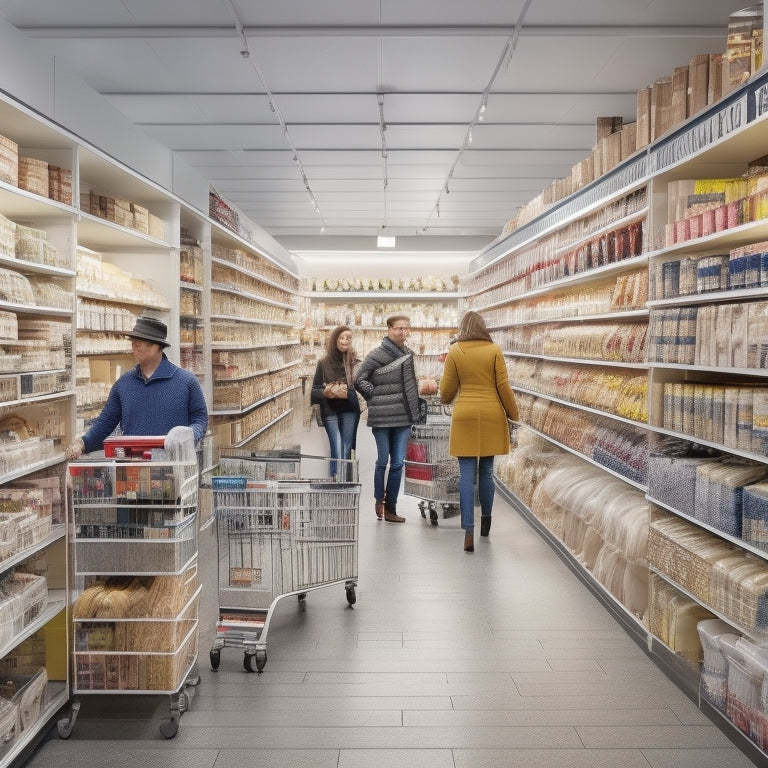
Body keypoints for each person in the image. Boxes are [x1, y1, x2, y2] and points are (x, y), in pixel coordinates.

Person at [65, 315, 209, 459]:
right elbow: (106, 423)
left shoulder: (187, 382)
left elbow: (200, 420)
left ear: (158, 346)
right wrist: (83, 443)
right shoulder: (123, 384)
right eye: (135, 342)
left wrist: (188, 436)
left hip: (174, 464)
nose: (136, 346)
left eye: (144, 343)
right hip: (133, 468)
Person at [439, 311, 519, 552]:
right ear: (483, 328)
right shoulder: (494, 351)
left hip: (464, 415)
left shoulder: (455, 351)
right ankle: (486, 524)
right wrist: (514, 414)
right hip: (491, 414)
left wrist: (447, 396)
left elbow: (445, 392)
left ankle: (468, 530)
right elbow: (504, 386)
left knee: (466, 476)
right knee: (486, 473)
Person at [355, 315, 420, 523]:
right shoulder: (377, 355)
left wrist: (414, 411)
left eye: (406, 329)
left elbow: (410, 385)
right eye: (398, 328)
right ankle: (378, 499)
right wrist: (374, 397)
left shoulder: (409, 354)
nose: (403, 332)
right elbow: (359, 379)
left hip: (402, 417)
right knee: (383, 460)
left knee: (398, 463)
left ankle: (391, 507)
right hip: (382, 417)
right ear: (389, 329)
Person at [310, 325, 361, 480]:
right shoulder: (323, 363)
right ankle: (334, 480)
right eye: (342, 337)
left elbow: (362, 386)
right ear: (335, 340)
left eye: (348, 338)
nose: (345, 341)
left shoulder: (355, 362)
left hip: (350, 408)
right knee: (336, 446)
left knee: (346, 447)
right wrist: (330, 391)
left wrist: (349, 388)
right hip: (329, 408)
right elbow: (314, 390)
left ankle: (345, 481)